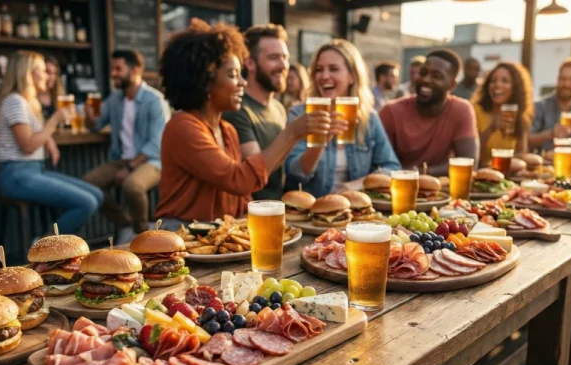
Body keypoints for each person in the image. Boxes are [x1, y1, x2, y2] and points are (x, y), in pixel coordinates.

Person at [154, 19, 330, 228]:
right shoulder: (183, 126)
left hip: (219, 235)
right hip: (181, 236)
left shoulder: (227, 130)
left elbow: (241, 197)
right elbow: (239, 180)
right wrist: (291, 133)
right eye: (233, 75)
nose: (242, 82)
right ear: (205, 81)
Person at [0, 50, 102, 235]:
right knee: (86, 202)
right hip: (17, 175)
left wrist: (50, 141)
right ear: (27, 73)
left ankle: (56, 247)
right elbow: (28, 145)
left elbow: (36, 133)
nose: (47, 75)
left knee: (97, 196)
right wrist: (55, 119)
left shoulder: (28, 102)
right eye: (42, 70)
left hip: (34, 170)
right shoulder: (15, 101)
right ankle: (45, 248)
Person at [285, 40, 401, 197]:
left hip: (355, 211)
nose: (324, 76)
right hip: (310, 213)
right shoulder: (299, 115)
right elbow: (294, 176)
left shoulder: (368, 118)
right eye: (319, 70)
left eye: (333, 69)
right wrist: (320, 142)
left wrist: (354, 186)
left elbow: (392, 167)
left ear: (352, 76)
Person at [83, 50, 169, 243]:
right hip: (120, 160)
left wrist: (130, 168)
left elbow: (157, 143)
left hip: (152, 160)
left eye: (118, 69)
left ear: (134, 70)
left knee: (132, 185)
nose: (113, 73)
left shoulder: (154, 100)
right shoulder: (115, 99)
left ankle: (142, 236)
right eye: (113, 69)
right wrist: (89, 116)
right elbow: (96, 125)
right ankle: (126, 224)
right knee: (88, 184)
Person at [379, 49, 479, 175]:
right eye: (423, 73)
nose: (426, 79)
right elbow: (379, 164)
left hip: (440, 191)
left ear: (452, 85)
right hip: (397, 189)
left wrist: (419, 173)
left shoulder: (461, 109)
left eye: (436, 76)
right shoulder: (390, 111)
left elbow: (469, 163)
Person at [223, 24, 291, 201]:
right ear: (250, 63)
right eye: (274, 58)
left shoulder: (278, 108)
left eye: (285, 57)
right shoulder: (237, 109)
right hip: (251, 216)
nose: (283, 65)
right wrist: (294, 133)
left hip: (279, 208)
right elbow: (257, 170)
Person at [471, 61, 533, 167]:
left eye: (505, 81)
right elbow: (469, 152)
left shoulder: (519, 116)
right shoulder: (474, 110)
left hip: (506, 175)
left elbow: (520, 154)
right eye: (493, 81)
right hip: (479, 172)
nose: (497, 85)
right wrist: (492, 128)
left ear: (515, 88)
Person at [38, 56, 63, 120]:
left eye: (55, 73)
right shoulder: (32, 98)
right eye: (48, 72)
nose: (52, 77)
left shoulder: (58, 96)